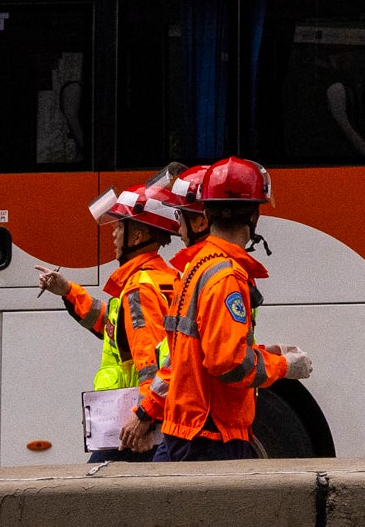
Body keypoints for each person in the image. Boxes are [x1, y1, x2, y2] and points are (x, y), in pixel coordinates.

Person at [132, 158, 312, 462]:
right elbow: (229, 365)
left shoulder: (199, 267)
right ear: (254, 216)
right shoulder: (226, 276)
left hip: (190, 429)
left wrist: (268, 352)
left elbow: (199, 351)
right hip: (211, 436)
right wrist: (284, 367)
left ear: (206, 213)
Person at [40, 180, 190, 465]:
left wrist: (143, 421)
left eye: (120, 226)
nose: (113, 233)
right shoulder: (167, 277)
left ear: (138, 236)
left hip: (132, 423)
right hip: (152, 417)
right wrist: (69, 291)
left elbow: (150, 364)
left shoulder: (138, 289)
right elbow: (115, 329)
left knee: (95, 498)